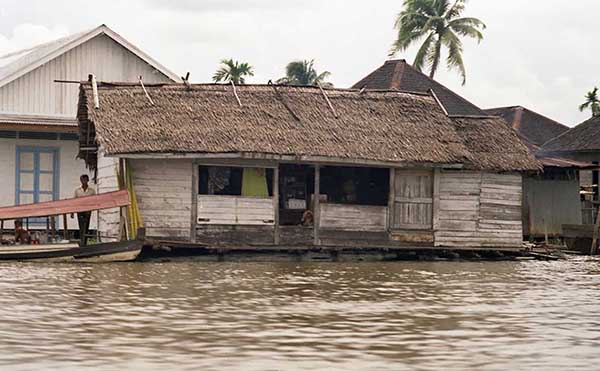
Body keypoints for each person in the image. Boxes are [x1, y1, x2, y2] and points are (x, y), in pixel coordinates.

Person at [73, 174, 96, 246]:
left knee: (86, 226)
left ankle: (85, 242)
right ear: (80, 181)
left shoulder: (91, 191)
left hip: (88, 211)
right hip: (79, 210)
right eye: (82, 180)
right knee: (81, 226)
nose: (84, 181)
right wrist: (72, 212)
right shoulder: (77, 190)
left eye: (85, 180)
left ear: (88, 180)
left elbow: (94, 201)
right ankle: (81, 242)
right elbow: (74, 201)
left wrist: (91, 209)